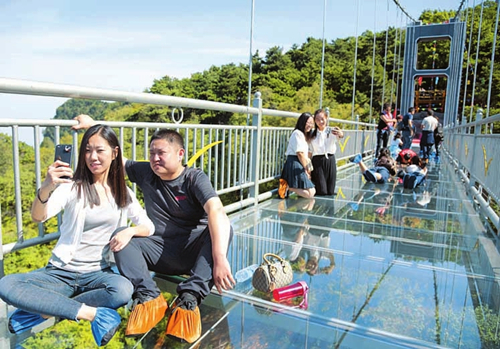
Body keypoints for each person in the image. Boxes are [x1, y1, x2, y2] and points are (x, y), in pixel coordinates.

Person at [73, 115, 235, 344]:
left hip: (195, 254)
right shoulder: (147, 172)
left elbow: (216, 211)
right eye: (152, 153)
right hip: (159, 250)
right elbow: (117, 159)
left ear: (180, 154)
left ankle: (188, 299)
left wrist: (219, 258)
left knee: (224, 228)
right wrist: (92, 126)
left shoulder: (194, 178)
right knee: (121, 237)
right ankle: (149, 297)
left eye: (161, 153)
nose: (155, 158)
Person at [0, 125, 155, 347]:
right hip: (60, 273)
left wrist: (130, 230)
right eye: (87, 150)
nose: (93, 157)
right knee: (6, 284)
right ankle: (92, 315)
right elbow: (38, 217)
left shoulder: (123, 192)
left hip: (97, 275)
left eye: (100, 150)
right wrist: (46, 187)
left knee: (122, 290)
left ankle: (45, 311)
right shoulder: (72, 187)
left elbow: (148, 226)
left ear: (114, 153)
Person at [278, 112, 316, 199]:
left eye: (311, 123)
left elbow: (305, 155)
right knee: (310, 193)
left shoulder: (303, 135)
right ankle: (288, 186)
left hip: (299, 163)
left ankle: (288, 186)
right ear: (302, 122)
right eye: (308, 122)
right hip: (294, 163)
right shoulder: (297, 133)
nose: (310, 125)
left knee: (312, 191)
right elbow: (300, 153)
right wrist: (306, 169)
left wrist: (308, 169)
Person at [309, 109, 344, 196]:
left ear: (326, 118)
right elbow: (309, 152)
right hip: (317, 162)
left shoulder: (332, 131)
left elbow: (340, 136)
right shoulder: (312, 134)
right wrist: (308, 168)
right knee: (322, 191)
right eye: (317, 120)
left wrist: (341, 134)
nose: (320, 122)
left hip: (330, 160)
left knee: (330, 191)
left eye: (322, 119)